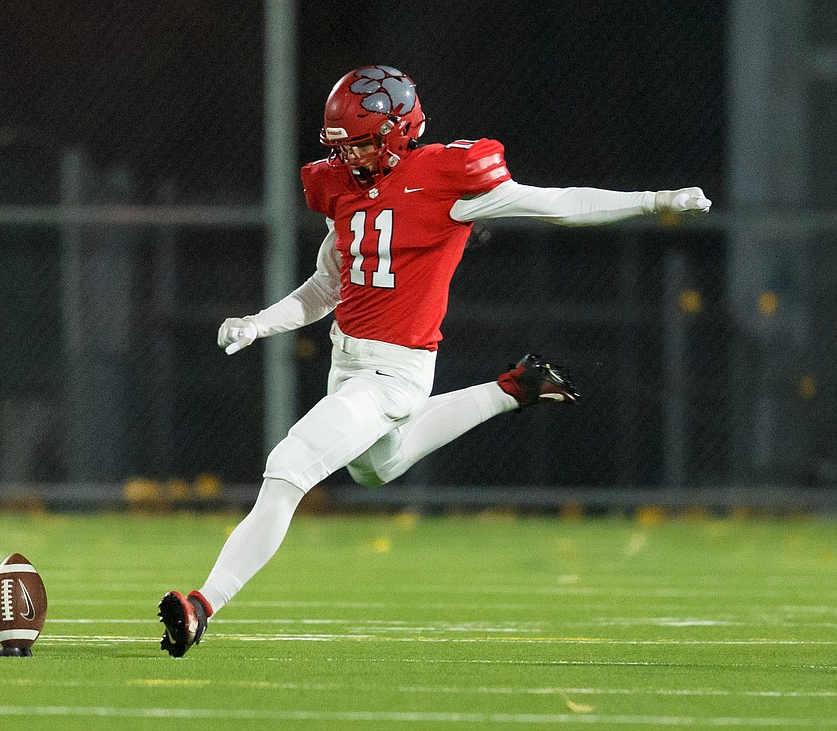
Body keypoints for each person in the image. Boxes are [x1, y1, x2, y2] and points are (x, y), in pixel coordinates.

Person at [157, 65, 710, 657]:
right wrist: (259, 323)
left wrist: (654, 202)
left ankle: (201, 605)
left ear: (400, 128)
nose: (354, 158)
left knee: (289, 465)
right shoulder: (342, 186)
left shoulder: (445, 178)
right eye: (345, 147)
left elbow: (555, 205)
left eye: (365, 142)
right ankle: (514, 388)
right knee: (377, 468)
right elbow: (326, 286)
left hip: (395, 373)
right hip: (348, 363)